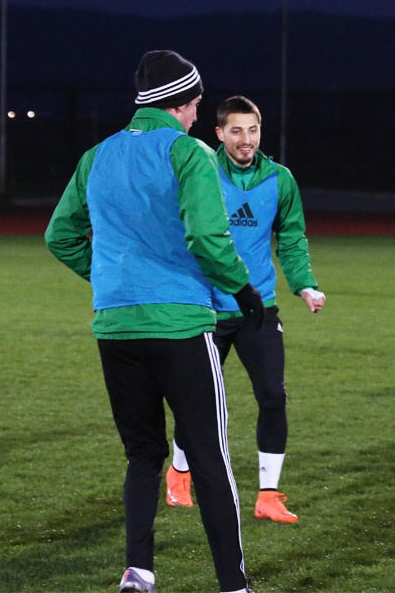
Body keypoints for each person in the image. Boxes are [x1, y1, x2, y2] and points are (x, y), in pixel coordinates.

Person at [45, 51, 262, 593]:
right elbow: (207, 237)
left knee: (142, 455)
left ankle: (138, 572)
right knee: (210, 457)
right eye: (196, 104)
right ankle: (233, 586)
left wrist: (111, 280)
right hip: (180, 324)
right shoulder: (190, 151)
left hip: (116, 327)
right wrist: (242, 288)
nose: (197, 115)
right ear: (183, 102)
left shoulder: (96, 155)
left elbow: (59, 236)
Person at [165, 96, 325, 525]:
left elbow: (291, 238)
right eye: (236, 131)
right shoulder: (201, 170)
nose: (246, 139)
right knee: (198, 401)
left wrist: (305, 284)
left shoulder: (280, 179)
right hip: (206, 310)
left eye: (252, 130)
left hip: (259, 308)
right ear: (219, 134)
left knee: (273, 397)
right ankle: (180, 472)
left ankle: (268, 495)